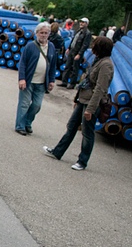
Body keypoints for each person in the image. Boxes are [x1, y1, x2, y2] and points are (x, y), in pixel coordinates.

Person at [44, 37, 115, 171]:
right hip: (83, 99)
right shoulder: (98, 60)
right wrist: (77, 99)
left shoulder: (106, 65)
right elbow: (86, 81)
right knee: (71, 126)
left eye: (94, 46)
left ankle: (82, 161)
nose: (92, 48)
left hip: (91, 103)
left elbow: (100, 88)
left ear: (100, 48)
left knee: (87, 133)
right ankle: (57, 152)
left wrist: (91, 109)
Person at [15, 22, 57, 136]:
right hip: (29, 81)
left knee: (36, 105)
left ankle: (27, 122)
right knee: (24, 104)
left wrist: (52, 80)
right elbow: (22, 63)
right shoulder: (30, 46)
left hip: (42, 82)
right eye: (41, 33)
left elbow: (53, 65)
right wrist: (22, 78)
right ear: (37, 33)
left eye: (46, 33)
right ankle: (20, 125)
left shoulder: (51, 47)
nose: (43, 35)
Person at [59, 17, 92, 88]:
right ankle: (64, 82)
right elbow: (73, 40)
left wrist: (79, 54)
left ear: (86, 24)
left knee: (75, 68)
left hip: (77, 52)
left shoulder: (87, 33)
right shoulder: (79, 31)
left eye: (83, 22)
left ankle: (72, 84)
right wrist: (69, 48)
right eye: (81, 22)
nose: (81, 23)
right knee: (67, 66)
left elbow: (85, 45)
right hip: (72, 50)